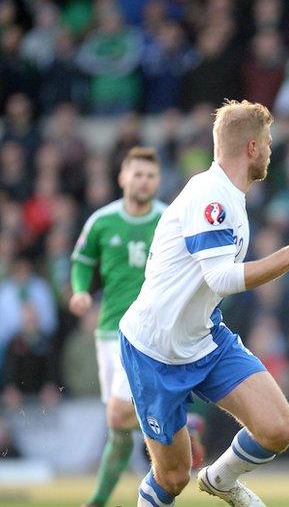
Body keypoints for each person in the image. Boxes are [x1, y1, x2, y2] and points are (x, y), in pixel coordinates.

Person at [119, 100, 289, 507]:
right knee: (173, 476)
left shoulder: (231, 195)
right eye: (266, 141)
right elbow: (221, 278)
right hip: (154, 351)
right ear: (251, 147)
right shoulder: (210, 196)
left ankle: (220, 480)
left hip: (205, 340)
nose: (270, 150)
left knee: (278, 429)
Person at [70, 147, 208, 507]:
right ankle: (99, 500)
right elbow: (82, 261)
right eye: (137, 174)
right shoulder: (102, 221)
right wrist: (82, 291)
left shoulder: (169, 219)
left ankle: (178, 423)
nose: (144, 181)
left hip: (150, 333)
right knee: (118, 430)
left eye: (150, 175)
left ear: (158, 181)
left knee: (118, 417)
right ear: (123, 178)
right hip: (107, 331)